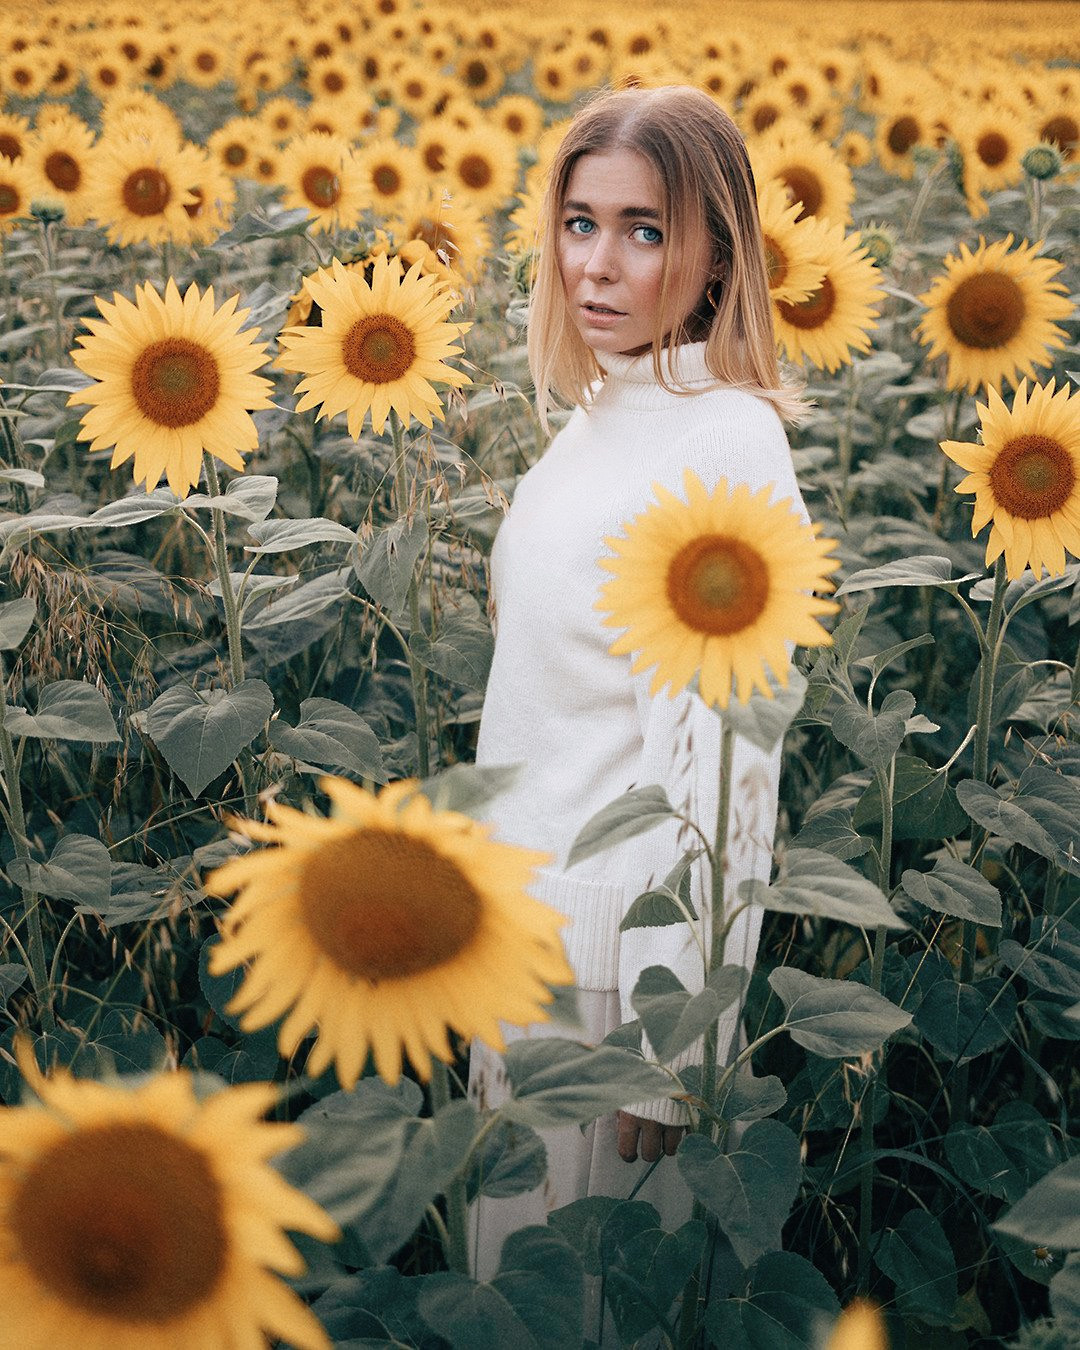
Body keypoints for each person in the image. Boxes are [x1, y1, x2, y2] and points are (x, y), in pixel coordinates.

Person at [467, 84, 813, 1284]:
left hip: (613, 981)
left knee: (574, 1303)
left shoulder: (720, 439)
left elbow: (726, 764)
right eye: (580, 222)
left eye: (647, 230)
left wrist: (682, 1045)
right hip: (520, 943)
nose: (599, 266)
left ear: (719, 255)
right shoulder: (605, 414)